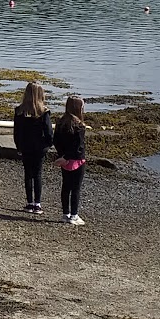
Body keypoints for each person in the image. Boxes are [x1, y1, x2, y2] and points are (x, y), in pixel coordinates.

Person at [12, 81, 54, 216]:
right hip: (39, 148)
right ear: (41, 94)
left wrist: (18, 146)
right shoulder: (43, 112)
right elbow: (48, 132)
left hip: (25, 146)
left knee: (28, 174)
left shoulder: (19, 111)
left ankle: (29, 202)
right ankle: (37, 203)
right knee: (37, 174)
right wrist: (48, 145)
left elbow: (16, 131)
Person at [54, 95, 88, 226]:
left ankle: (65, 214)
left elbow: (56, 141)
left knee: (66, 187)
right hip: (77, 160)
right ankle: (74, 215)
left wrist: (62, 156)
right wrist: (68, 156)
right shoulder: (80, 126)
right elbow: (78, 146)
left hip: (64, 160)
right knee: (76, 188)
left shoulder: (60, 123)